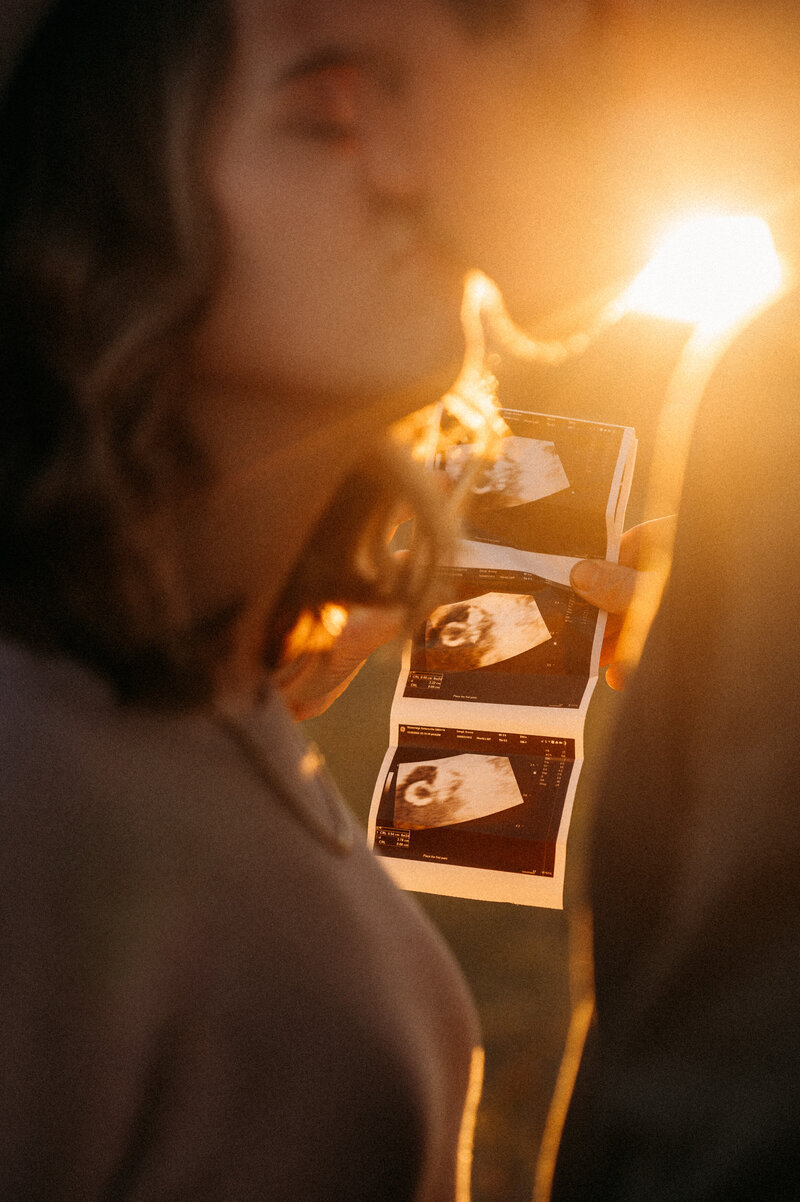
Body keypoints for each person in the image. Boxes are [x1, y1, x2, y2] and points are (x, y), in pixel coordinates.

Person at [0, 1, 505, 1197]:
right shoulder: (27, 770)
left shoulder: (212, 724)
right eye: (324, 115)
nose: (409, 169)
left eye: (402, 98)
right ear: (110, 209)